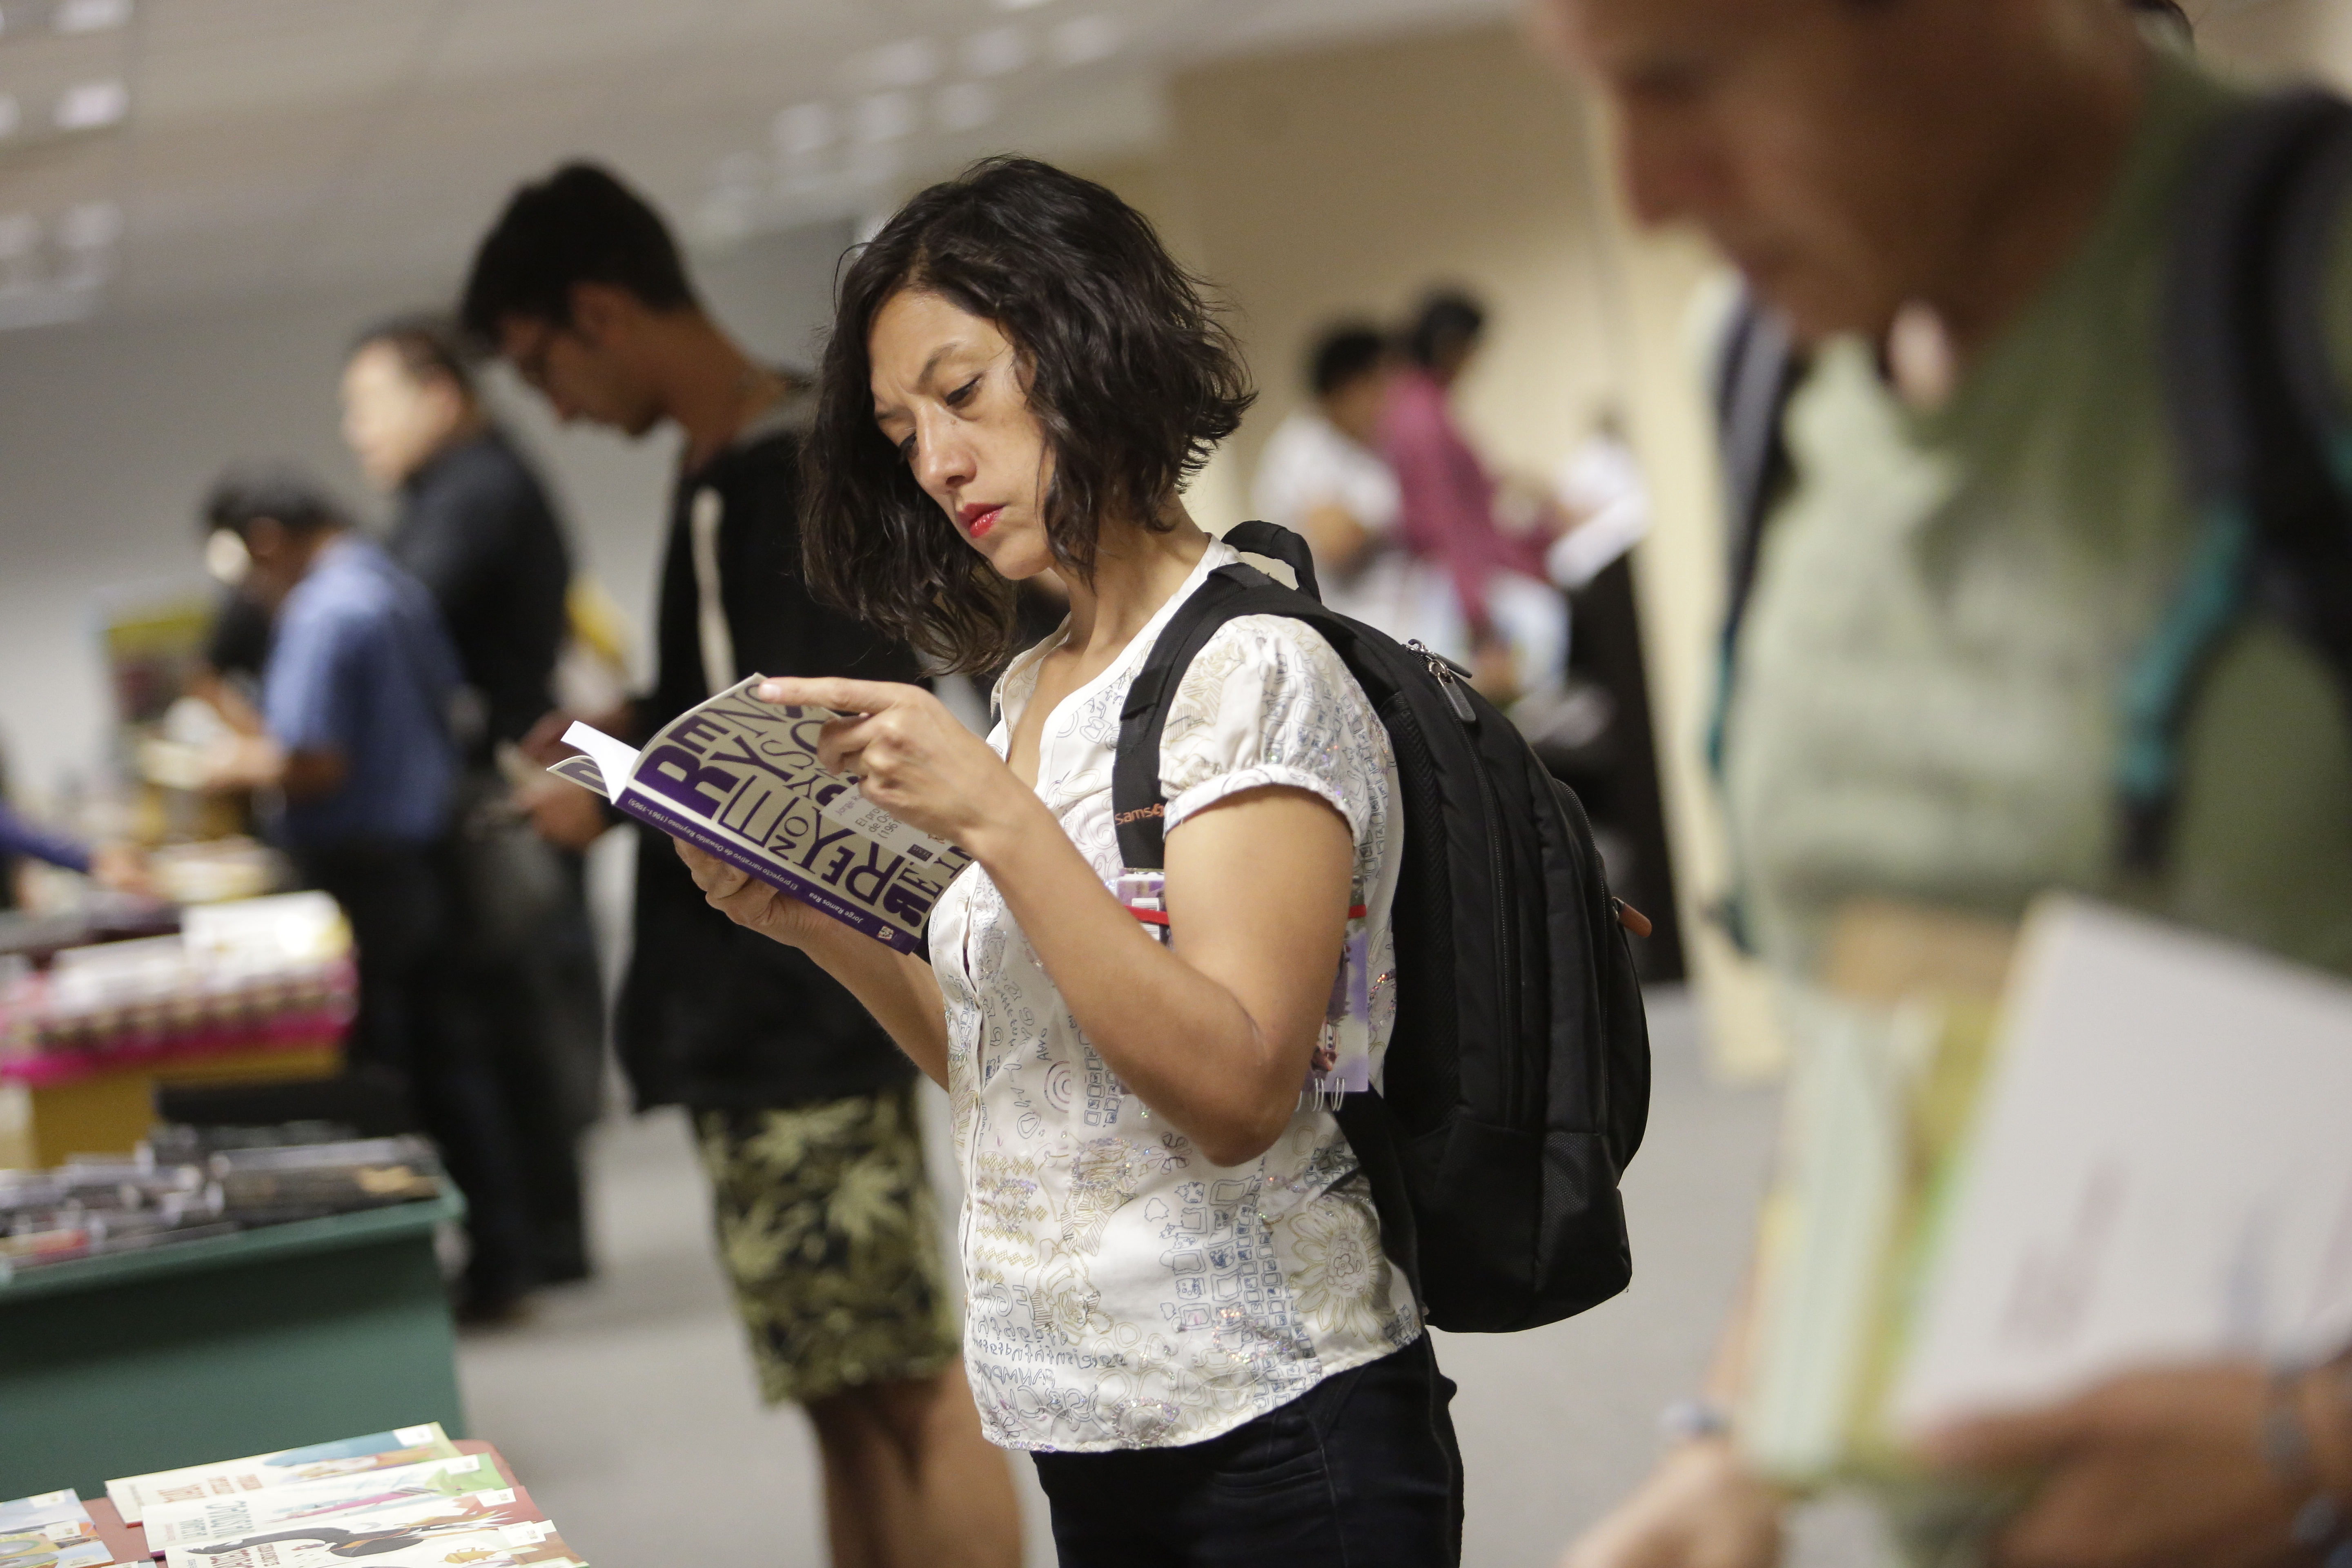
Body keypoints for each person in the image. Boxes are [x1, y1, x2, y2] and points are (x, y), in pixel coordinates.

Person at [1535, 0, 2352, 1565]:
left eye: (1685, 80)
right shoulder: (1774, 383)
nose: (1639, 190)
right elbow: (1890, 1029)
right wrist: (1739, 1437)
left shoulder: (2305, 299)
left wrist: (2303, 1441)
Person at [678, 154, 1464, 1568]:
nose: (936, 461)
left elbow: (1234, 1087)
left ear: (1087, 351)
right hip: (1091, 1421)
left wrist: (997, 821)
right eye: (902, 428)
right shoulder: (1037, 685)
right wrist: (808, 918)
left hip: (1274, 1420)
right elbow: (1015, 1066)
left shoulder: (1252, 669)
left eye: (962, 395)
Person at [458, 162, 1019, 1568]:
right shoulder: (726, 469)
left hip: (815, 1003)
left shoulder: (783, 468)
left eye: (544, 366)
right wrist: (626, 744)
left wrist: (629, 789)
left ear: (599, 311)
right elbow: (733, 699)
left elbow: (807, 743)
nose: (557, 406)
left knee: (906, 1385)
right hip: (759, 1003)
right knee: (843, 1394)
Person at [195, 465, 537, 1317]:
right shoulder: (390, 584)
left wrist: (236, 762)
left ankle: (412, 1286)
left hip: (363, 872)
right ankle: (501, 1263)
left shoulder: (324, 608)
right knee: (451, 1070)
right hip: (420, 861)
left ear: (268, 542)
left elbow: (313, 763)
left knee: (393, 1084)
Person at [341, 311, 601, 1290]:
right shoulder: (449, 486)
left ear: (441, 393)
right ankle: (536, 1238)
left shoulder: (477, 488)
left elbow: (396, 611)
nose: (356, 431)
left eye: (369, 405)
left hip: (506, 779)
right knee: (507, 1015)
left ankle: (532, 1245)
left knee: (508, 1017)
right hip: (496, 776)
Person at [1381, 289, 1571, 702]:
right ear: (1453, 346)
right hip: (1448, 581)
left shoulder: (1423, 407)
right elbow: (1447, 523)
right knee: (1542, 623)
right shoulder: (1420, 418)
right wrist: (1480, 623)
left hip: (1457, 573)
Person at [1252, 322, 1469, 657]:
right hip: (1358, 634)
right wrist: (1408, 513)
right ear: (1348, 386)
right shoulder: (1303, 448)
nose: (1390, 399)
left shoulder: (1374, 446)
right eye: (1381, 384)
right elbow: (1338, 542)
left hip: (1414, 616)